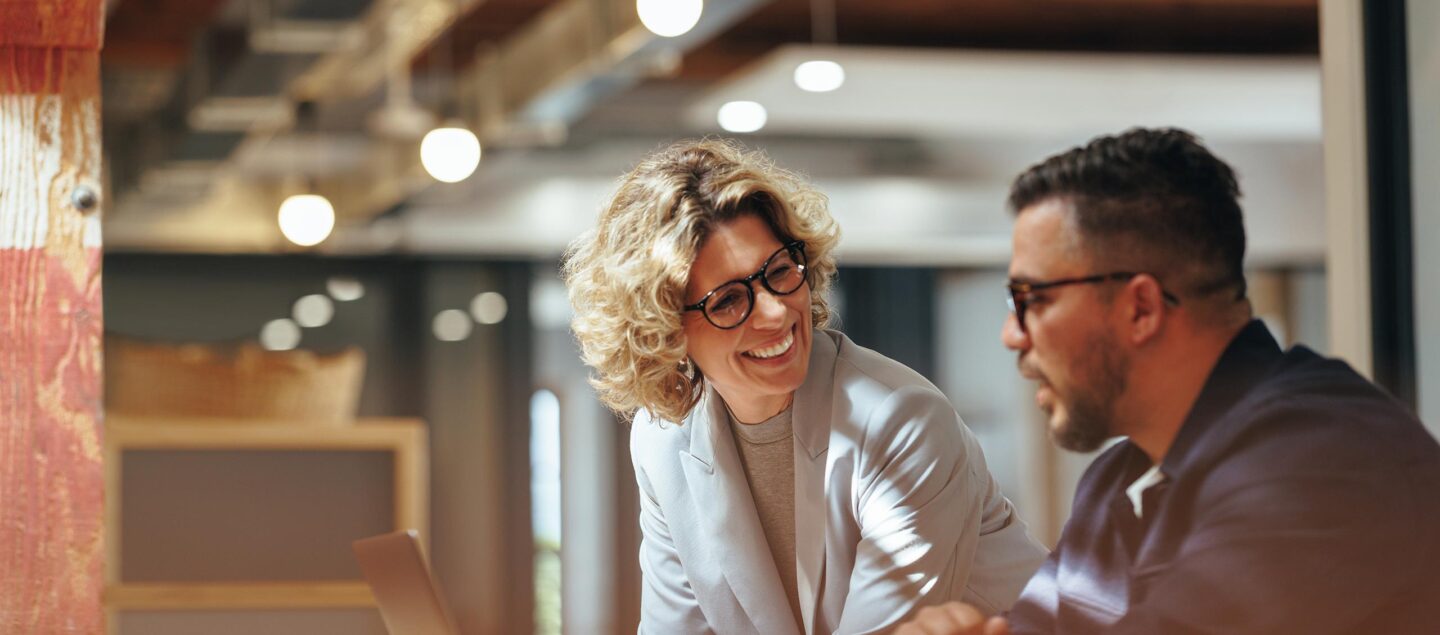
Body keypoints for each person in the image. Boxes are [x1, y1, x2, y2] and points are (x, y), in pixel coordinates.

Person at [896, 127, 1440, 635]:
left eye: (1031, 300)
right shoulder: (1118, 477)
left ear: (1141, 308)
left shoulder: (1326, 465)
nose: (1012, 334)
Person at [563, 139, 1047, 634]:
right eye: (728, 300)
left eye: (777, 272)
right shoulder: (662, 437)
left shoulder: (900, 418)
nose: (775, 311)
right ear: (664, 331)